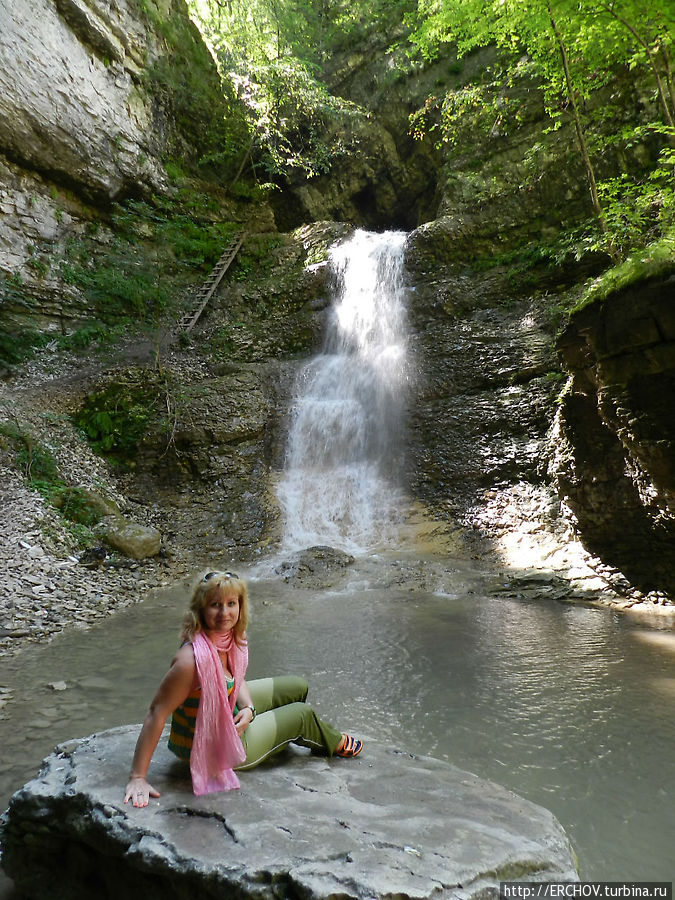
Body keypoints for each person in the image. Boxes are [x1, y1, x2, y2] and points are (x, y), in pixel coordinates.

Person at [124, 570, 362, 807]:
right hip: (217, 749)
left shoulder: (227, 638)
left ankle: (284, 731)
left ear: (241, 605)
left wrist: (248, 709)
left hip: (229, 720)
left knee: (297, 686)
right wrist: (138, 778)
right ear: (200, 608)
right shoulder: (191, 661)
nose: (224, 613)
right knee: (302, 714)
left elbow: (236, 680)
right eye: (215, 605)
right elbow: (157, 712)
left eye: (231, 604)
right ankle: (331, 740)